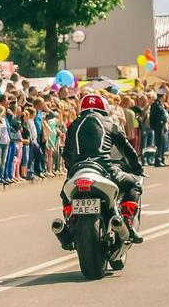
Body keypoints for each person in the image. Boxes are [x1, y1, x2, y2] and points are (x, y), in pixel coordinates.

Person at [62, 93, 145, 243]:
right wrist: (136, 167)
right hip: (105, 170)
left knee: (65, 194)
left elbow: (66, 153)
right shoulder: (110, 124)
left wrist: (71, 169)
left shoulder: (73, 125)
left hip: (79, 170)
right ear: (104, 108)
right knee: (135, 184)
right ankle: (127, 221)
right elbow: (127, 149)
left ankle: (71, 220)